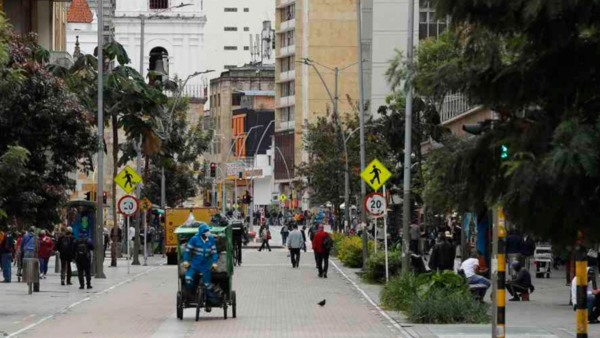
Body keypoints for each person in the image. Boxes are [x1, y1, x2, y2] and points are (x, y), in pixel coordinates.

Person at [182, 224, 218, 311]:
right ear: (202, 232)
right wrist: (186, 261)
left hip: (206, 266)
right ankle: (191, 294)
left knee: (207, 285)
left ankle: (208, 302)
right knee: (188, 279)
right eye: (207, 231)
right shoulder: (194, 239)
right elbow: (187, 251)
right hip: (195, 265)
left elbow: (214, 252)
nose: (209, 232)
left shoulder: (211, 239)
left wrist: (214, 262)